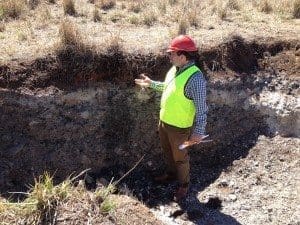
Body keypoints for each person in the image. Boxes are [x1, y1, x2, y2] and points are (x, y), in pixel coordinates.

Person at [135, 35, 207, 202]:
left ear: (182, 56)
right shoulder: (176, 70)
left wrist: (199, 132)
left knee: (181, 158)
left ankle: (184, 186)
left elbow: (202, 109)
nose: (169, 56)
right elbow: (169, 88)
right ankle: (171, 175)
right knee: (168, 153)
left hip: (180, 128)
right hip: (165, 123)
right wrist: (151, 83)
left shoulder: (195, 78)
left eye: (171, 53)